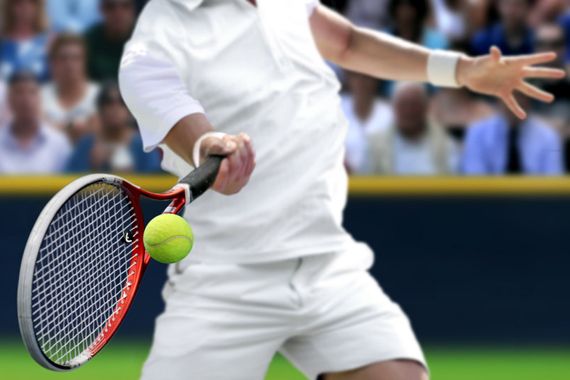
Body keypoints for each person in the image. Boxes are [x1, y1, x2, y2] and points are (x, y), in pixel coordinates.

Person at [118, 1, 565, 379]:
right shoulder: (155, 41)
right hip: (225, 283)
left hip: (327, 266)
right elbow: (183, 124)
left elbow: (348, 43)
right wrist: (207, 145)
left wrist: (462, 70)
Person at [66, 82, 160, 173]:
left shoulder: (144, 146)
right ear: (100, 109)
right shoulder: (86, 145)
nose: (115, 108)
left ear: (130, 110)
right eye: (109, 103)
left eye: (121, 103)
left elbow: (157, 181)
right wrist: (93, 167)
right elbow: (69, 181)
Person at [368, 82, 459, 175]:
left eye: (414, 104)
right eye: (404, 104)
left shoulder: (446, 144)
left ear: (425, 108)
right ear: (394, 107)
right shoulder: (375, 145)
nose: (409, 110)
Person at [462, 95, 564, 175]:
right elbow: (474, 178)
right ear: (498, 98)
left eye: (520, 95)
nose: (516, 101)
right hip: (488, 198)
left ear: (529, 99)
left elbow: (553, 179)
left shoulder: (548, 137)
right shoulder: (477, 133)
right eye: (510, 94)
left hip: (536, 198)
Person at [0, 72, 71, 174]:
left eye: (32, 92)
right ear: (9, 99)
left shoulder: (58, 144)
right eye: (19, 92)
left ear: (40, 98)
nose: (26, 99)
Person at [42, 34, 99, 143]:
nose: (69, 64)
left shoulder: (99, 95)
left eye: (76, 58)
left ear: (85, 62)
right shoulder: (39, 95)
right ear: (53, 63)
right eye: (63, 58)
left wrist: (55, 127)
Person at [341, 71, 392, 174]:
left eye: (366, 78)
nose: (361, 83)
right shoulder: (337, 106)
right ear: (348, 79)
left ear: (375, 80)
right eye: (356, 77)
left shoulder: (389, 113)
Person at [0, 0, 51, 82]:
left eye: (31, 3)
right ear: (9, 7)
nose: (25, 8)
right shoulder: (2, 43)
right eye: (19, 3)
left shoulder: (50, 42)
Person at [84, 0, 135, 81]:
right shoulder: (89, 41)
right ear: (101, 9)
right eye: (111, 7)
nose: (118, 13)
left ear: (133, 10)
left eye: (125, 6)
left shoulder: (147, 39)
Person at [471, 0, 535, 56]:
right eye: (507, 4)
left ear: (527, 7)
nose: (511, 11)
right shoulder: (482, 41)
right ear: (498, 6)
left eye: (518, 5)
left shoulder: (536, 41)